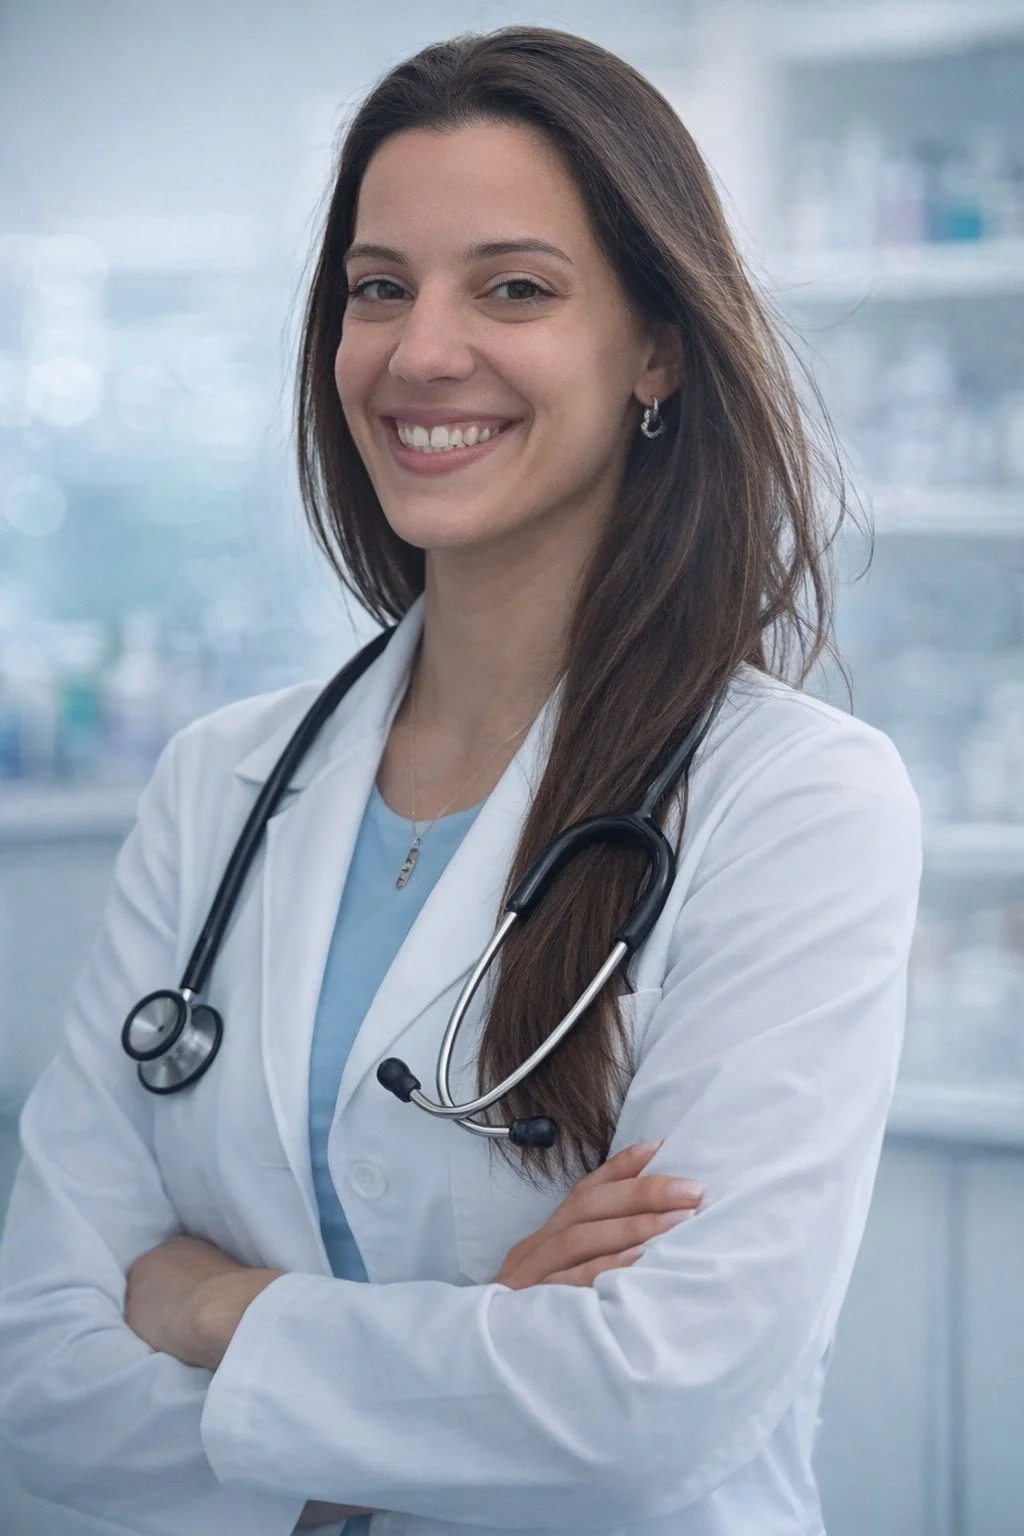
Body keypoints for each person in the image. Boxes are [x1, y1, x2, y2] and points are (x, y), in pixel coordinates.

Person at [0, 25, 921, 1536]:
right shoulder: (216, 786)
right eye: (379, 288)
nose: (422, 353)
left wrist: (217, 1306)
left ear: (657, 347)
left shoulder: (798, 803)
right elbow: (44, 1380)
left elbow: (645, 1410)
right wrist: (479, 1333)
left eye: (515, 288)